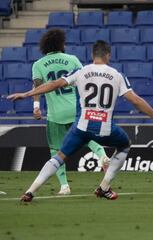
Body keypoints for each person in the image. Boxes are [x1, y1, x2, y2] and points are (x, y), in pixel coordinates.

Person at [8, 40, 153, 202]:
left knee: (59, 156)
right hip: (105, 128)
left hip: (81, 127)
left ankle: (31, 190)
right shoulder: (117, 75)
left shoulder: (80, 72)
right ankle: (104, 187)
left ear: (92, 54)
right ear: (108, 55)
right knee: (124, 145)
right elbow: (136, 101)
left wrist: (27, 94)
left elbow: (54, 84)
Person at [31, 28, 110, 195]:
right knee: (88, 138)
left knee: (56, 150)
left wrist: (36, 107)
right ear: (61, 44)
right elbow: (85, 80)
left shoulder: (38, 65)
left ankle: (64, 186)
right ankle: (103, 157)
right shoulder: (72, 59)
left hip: (55, 115)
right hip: (76, 111)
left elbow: (37, 88)